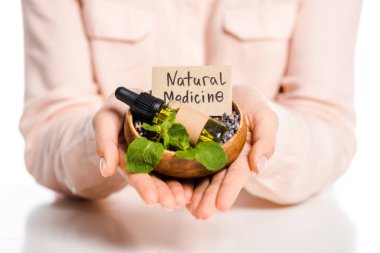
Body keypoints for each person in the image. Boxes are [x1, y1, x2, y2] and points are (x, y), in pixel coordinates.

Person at [20, 0, 362, 220]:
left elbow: (330, 126)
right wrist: (100, 137)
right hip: (116, 230)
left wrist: (264, 136)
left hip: (280, 231)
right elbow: (46, 132)